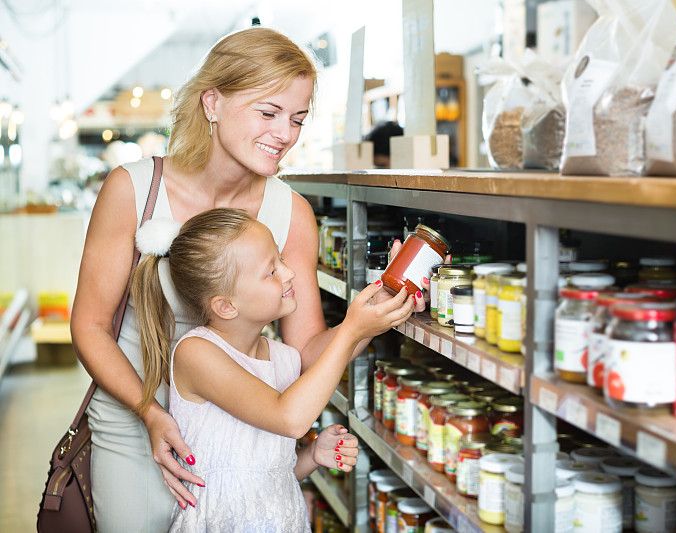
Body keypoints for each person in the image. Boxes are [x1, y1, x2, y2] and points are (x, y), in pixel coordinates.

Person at [70, 26, 425, 531]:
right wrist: (150, 413)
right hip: (136, 414)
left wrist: (372, 314)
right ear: (212, 102)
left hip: (241, 429)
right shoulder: (134, 190)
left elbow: (303, 355)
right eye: (268, 112)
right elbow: (89, 326)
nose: (285, 133)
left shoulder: (291, 214)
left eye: (297, 119)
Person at [129, 208, 412, 531]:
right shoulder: (196, 354)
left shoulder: (282, 358)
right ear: (225, 306)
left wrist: (311, 456)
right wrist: (351, 329)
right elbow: (290, 418)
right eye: (271, 271)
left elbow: (267, 478)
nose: (289, 273)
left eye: (281, 260)